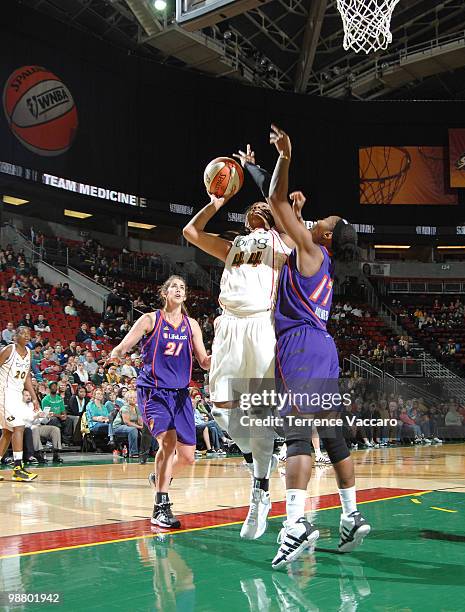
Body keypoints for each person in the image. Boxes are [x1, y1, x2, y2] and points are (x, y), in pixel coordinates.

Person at [268, 125, 370, 568]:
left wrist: (285, 159)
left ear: (327, 236)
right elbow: (286, 225)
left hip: (301, 346)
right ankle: (350, 515)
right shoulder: (319, 259)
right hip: (325, 348)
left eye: (326, 222)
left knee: (295, 433)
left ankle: (294, 524)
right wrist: (295, 212)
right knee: (332, 434)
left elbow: (273, 203)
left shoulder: (312, 249)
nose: (321, 219)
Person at [182, 144, 294, 539]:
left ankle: (260, 492)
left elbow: (277, 201)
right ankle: (252, 458)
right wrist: (215, 201)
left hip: (261, 326)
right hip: (229, 326)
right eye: (252, 211)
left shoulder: (282, 244)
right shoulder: (233, 247)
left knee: (259, 412)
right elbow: (191, 232)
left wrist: (259, 172)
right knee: (222, 409)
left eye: (263, 211)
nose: (257, 212)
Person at [110, 275, 210, 528]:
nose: (178, 290)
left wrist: (224, 354)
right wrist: (115, 355)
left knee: (187, 457)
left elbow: (204, 361)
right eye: (174, 287)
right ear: (164, 293)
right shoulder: (150, 319)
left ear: (185, 296)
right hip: (153, 391)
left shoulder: (192, 325)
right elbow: (123, 347)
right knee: (167, 442)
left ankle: (159, 478)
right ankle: (160, 506)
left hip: (180, 394)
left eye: (182, 288)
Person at [0, 326, 40, 481]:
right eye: (23, 333)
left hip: (16, 396)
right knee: (19, 426)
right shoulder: (8, 350)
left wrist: (34, 397)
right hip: (3, 394)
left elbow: (27, 378)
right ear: (15, 336)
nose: (27, 336)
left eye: (29, 334)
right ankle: (18, 468)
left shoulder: (29, 353)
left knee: (8, 432)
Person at [112, 390, 143, 457]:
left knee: (149, 429)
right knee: (133, 430)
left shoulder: (137, 408)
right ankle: (133, 452)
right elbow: (127, 422)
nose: (134, 399)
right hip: (119, 427)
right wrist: (139, 427)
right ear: (127, 399)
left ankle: (153, 450)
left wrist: (145, 427)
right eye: (131, 397)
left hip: (132, 426)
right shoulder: (125, 408)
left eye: (135, 397)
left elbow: (140, 421)